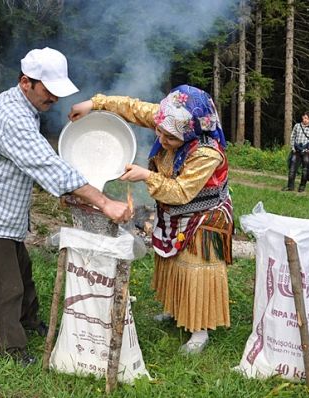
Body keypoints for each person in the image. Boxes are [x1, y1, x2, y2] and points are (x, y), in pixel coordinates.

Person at [0, 47, 132, 366]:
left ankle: (31, 322)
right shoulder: (12, 117)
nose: (55, 99)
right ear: (26, 82)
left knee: (23, 271)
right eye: (49, 92)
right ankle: (13, 349)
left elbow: (30, 164)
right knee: (7, 286)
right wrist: (103, 202)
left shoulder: (21, 104)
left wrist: (66, 192)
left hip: (3, 211)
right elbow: (47, 164)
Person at [69, 85, 233, 355]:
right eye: (159, 131)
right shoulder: (171, 117)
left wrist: (146, 176)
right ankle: (178, 312)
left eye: (169, 138)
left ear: (190, 132)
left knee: (194, 269)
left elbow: (180, 192)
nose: (160, 137)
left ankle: (199, 329)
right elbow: (132, 108)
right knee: (172, 264)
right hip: (174, 213)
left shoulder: (207, 153)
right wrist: (93, 104)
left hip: (203, 216)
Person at [283, 111, 309, 192]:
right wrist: (293, 147)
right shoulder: (297, 126)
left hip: (307, 152)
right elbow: (292, 137)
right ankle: (290, 186)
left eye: (307, 118)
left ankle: (302, 187)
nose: (305, 119)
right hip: (296, 151)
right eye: (304, 117)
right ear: (302, 117)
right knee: (292, 169)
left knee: (305, 170)